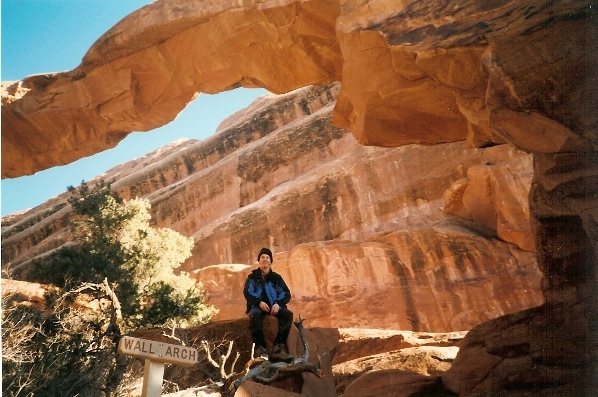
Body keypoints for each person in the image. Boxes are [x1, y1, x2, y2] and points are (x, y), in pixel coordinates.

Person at [243, 247, 294, 362]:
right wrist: (258, 302)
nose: (265, 259)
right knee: (255, 315)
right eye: (262, 257)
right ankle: (260, 349)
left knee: (288, 315)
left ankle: (278, 348)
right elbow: (247, 292)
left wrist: (278, 304)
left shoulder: (276, 278)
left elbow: (286, 294)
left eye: (267, 257)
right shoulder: (252, 277)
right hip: (257, 306)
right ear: (259, 261)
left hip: (274, 306)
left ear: (270, 261)